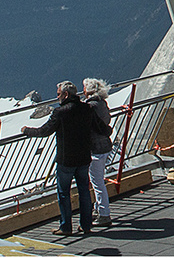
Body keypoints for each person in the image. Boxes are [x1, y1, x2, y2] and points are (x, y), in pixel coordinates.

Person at [22, 81, 112, 235]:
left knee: (64, 192)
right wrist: (108, 130)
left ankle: (65, 227)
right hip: (84, 157)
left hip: (66, 159)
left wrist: (27, 131)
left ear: (65, 95)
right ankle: (86, 224)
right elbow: (102, 129)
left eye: (58, 94)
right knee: (84, 190)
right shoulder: (87, 108)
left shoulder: (60, 112)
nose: (57, 97)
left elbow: (45, 131)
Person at [82, 78, 115, 228]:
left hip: (94, 148)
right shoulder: (102, 103)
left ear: (87, 91)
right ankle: (99, 209)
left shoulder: (90, 106)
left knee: (97, 182)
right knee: (99, 179)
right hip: (104, 146)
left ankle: (104, 213)